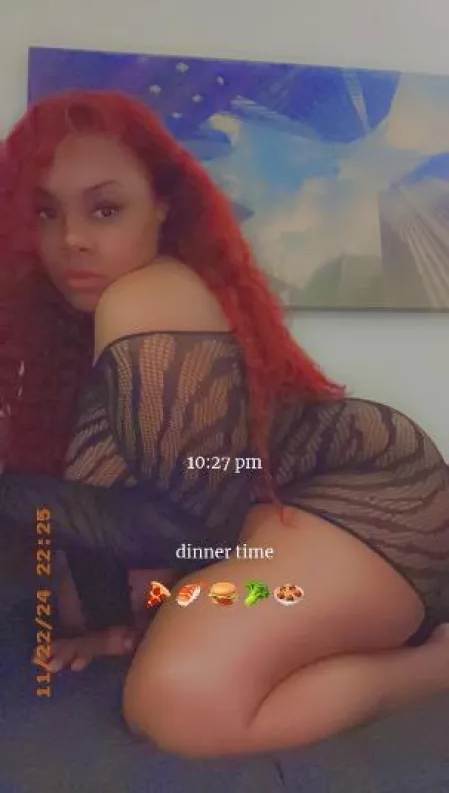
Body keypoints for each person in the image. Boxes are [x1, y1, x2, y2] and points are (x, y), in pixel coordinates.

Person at [1, 90, 448, 758]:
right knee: (77, 602)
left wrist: (12, 493)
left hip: (371, 498)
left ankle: (435, 665)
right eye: (44, 212)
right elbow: (105, 509)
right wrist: (107, 621)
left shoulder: (144, 296)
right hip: (270, 504)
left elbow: (186, 525)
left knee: (180, 702)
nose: (71, 240)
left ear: (161, 206)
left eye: (105, 209)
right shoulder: (84, 325)